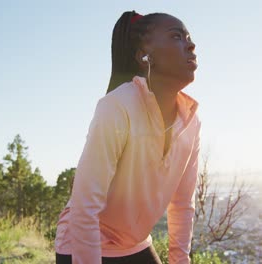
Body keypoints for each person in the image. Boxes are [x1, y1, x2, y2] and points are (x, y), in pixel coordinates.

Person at [55, 10, 200, 264]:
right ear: (144, 57)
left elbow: (182, 205)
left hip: (135, 243)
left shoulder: (190, 121)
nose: (191, 44)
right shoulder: (117, 105)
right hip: (84, 242)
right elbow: (84, 208)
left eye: (188, 36)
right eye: (177, 36)